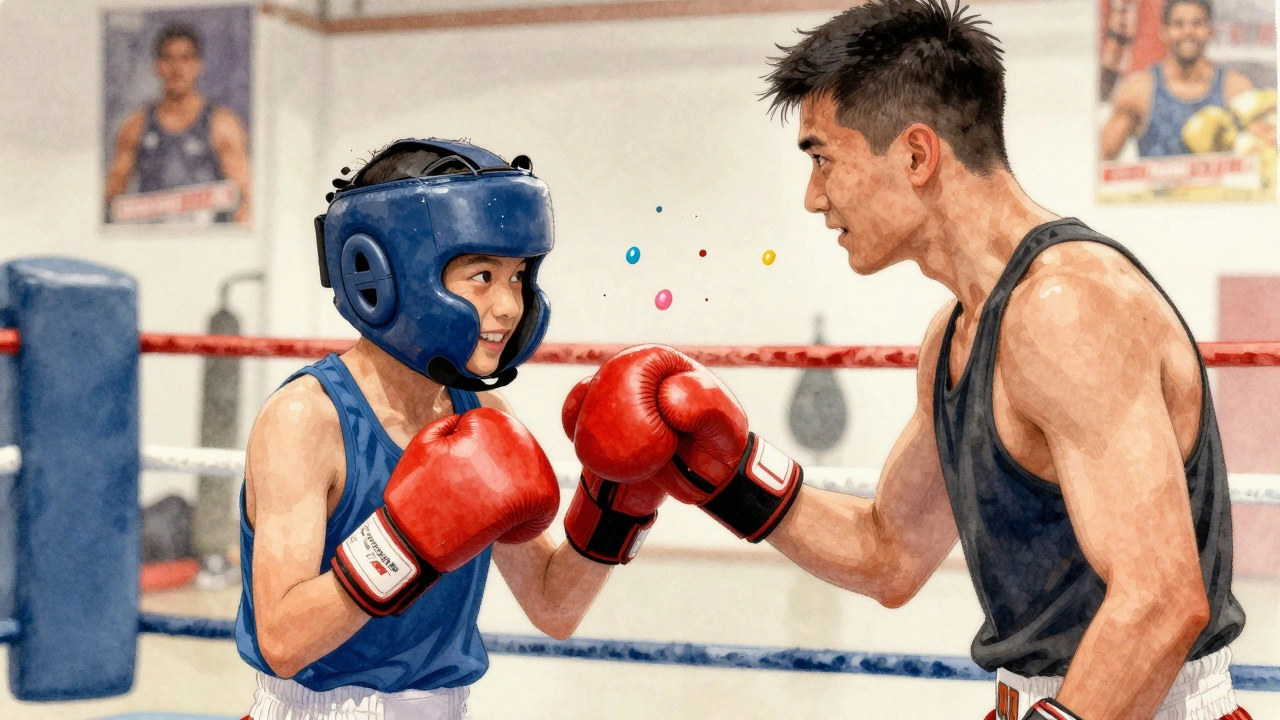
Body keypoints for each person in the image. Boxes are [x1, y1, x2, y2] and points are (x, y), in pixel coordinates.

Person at [563, 2, 1249, 719]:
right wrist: (724, 474)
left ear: (917, 154)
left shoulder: (1065, 309)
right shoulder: (957, 332)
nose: (812, 197)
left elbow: (1162, 601)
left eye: (824, 158)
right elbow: (889, 553)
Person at [235, 139, 667, 720]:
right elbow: (283, 642)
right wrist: (406, 540)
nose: (510, 306)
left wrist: (621, 497)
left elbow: (552, 606)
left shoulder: (479, 415)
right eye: (482, 276)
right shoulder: (306, 418)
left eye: (517, 278)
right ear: (387, 276)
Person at [105, 23, 252, 223]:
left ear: (198, 65)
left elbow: (246, 199)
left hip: (209, 243)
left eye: (185, 58)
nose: (177, 69)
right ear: (157, 65)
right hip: (151, 243)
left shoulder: (222, 125)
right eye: (168, 58)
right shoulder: (135, 126)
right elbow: (111, 199)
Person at [1100, 0, 1254, 159]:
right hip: (1159, 184)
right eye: (1178, 24)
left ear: (1211, 31)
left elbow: (1262, 154)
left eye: (1197, 23)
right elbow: (1103, 156)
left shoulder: (1236, 90)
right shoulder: (1139, 91)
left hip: (1224, 185)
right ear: (1163, 32)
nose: (1188, 32)